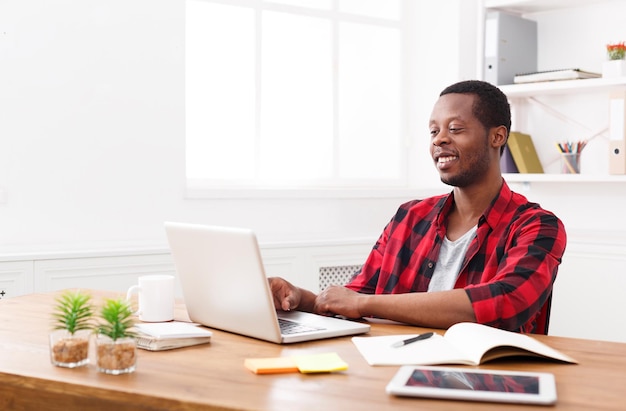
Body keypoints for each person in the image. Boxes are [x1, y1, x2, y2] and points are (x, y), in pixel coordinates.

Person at [269, 80, 566, 334]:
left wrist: (364, 304)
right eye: (433, 131)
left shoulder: (537, 226)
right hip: (394, 366)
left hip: (488, 380)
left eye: (455, 128)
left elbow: (506, 302)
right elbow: (356, 297)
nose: (440, 139)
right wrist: (301, 298)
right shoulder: (409, 217)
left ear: (497, 136)